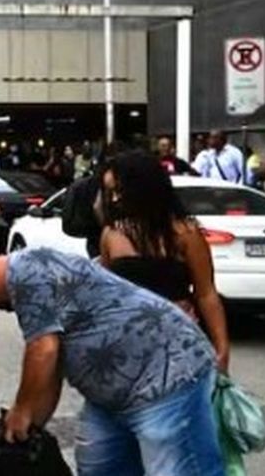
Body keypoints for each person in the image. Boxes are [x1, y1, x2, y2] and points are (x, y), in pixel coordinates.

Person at [0, 248, 223, 476]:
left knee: (179, 468)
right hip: (114, 398)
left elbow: (42, 349)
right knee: (100, 467)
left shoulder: (25, 276)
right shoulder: (31, 275)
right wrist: (30, 427)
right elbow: (51, 368)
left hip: (166, 376)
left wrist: (22, 411)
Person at [98, 151, 230, 374]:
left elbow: (206, 293)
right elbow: (104, 296)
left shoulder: (185, 233)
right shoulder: (111, 234)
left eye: (119, 191)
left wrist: (222, 347)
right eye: (109, 192)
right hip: (125, 345)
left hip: (178, 343)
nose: (114, 199)